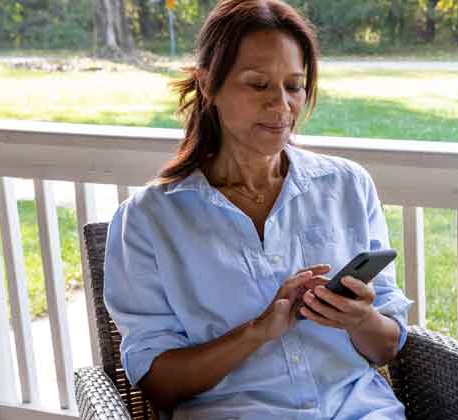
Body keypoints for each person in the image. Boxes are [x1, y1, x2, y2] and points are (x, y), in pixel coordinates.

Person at [103, 1, 413, 419]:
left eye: (294, 86)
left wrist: (360, 320)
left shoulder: (347, 186)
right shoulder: (149, 219)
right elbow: (159, 385)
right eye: (258, 85)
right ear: (210, 84)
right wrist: (257, 332)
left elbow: (387, 346)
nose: (281, 105)